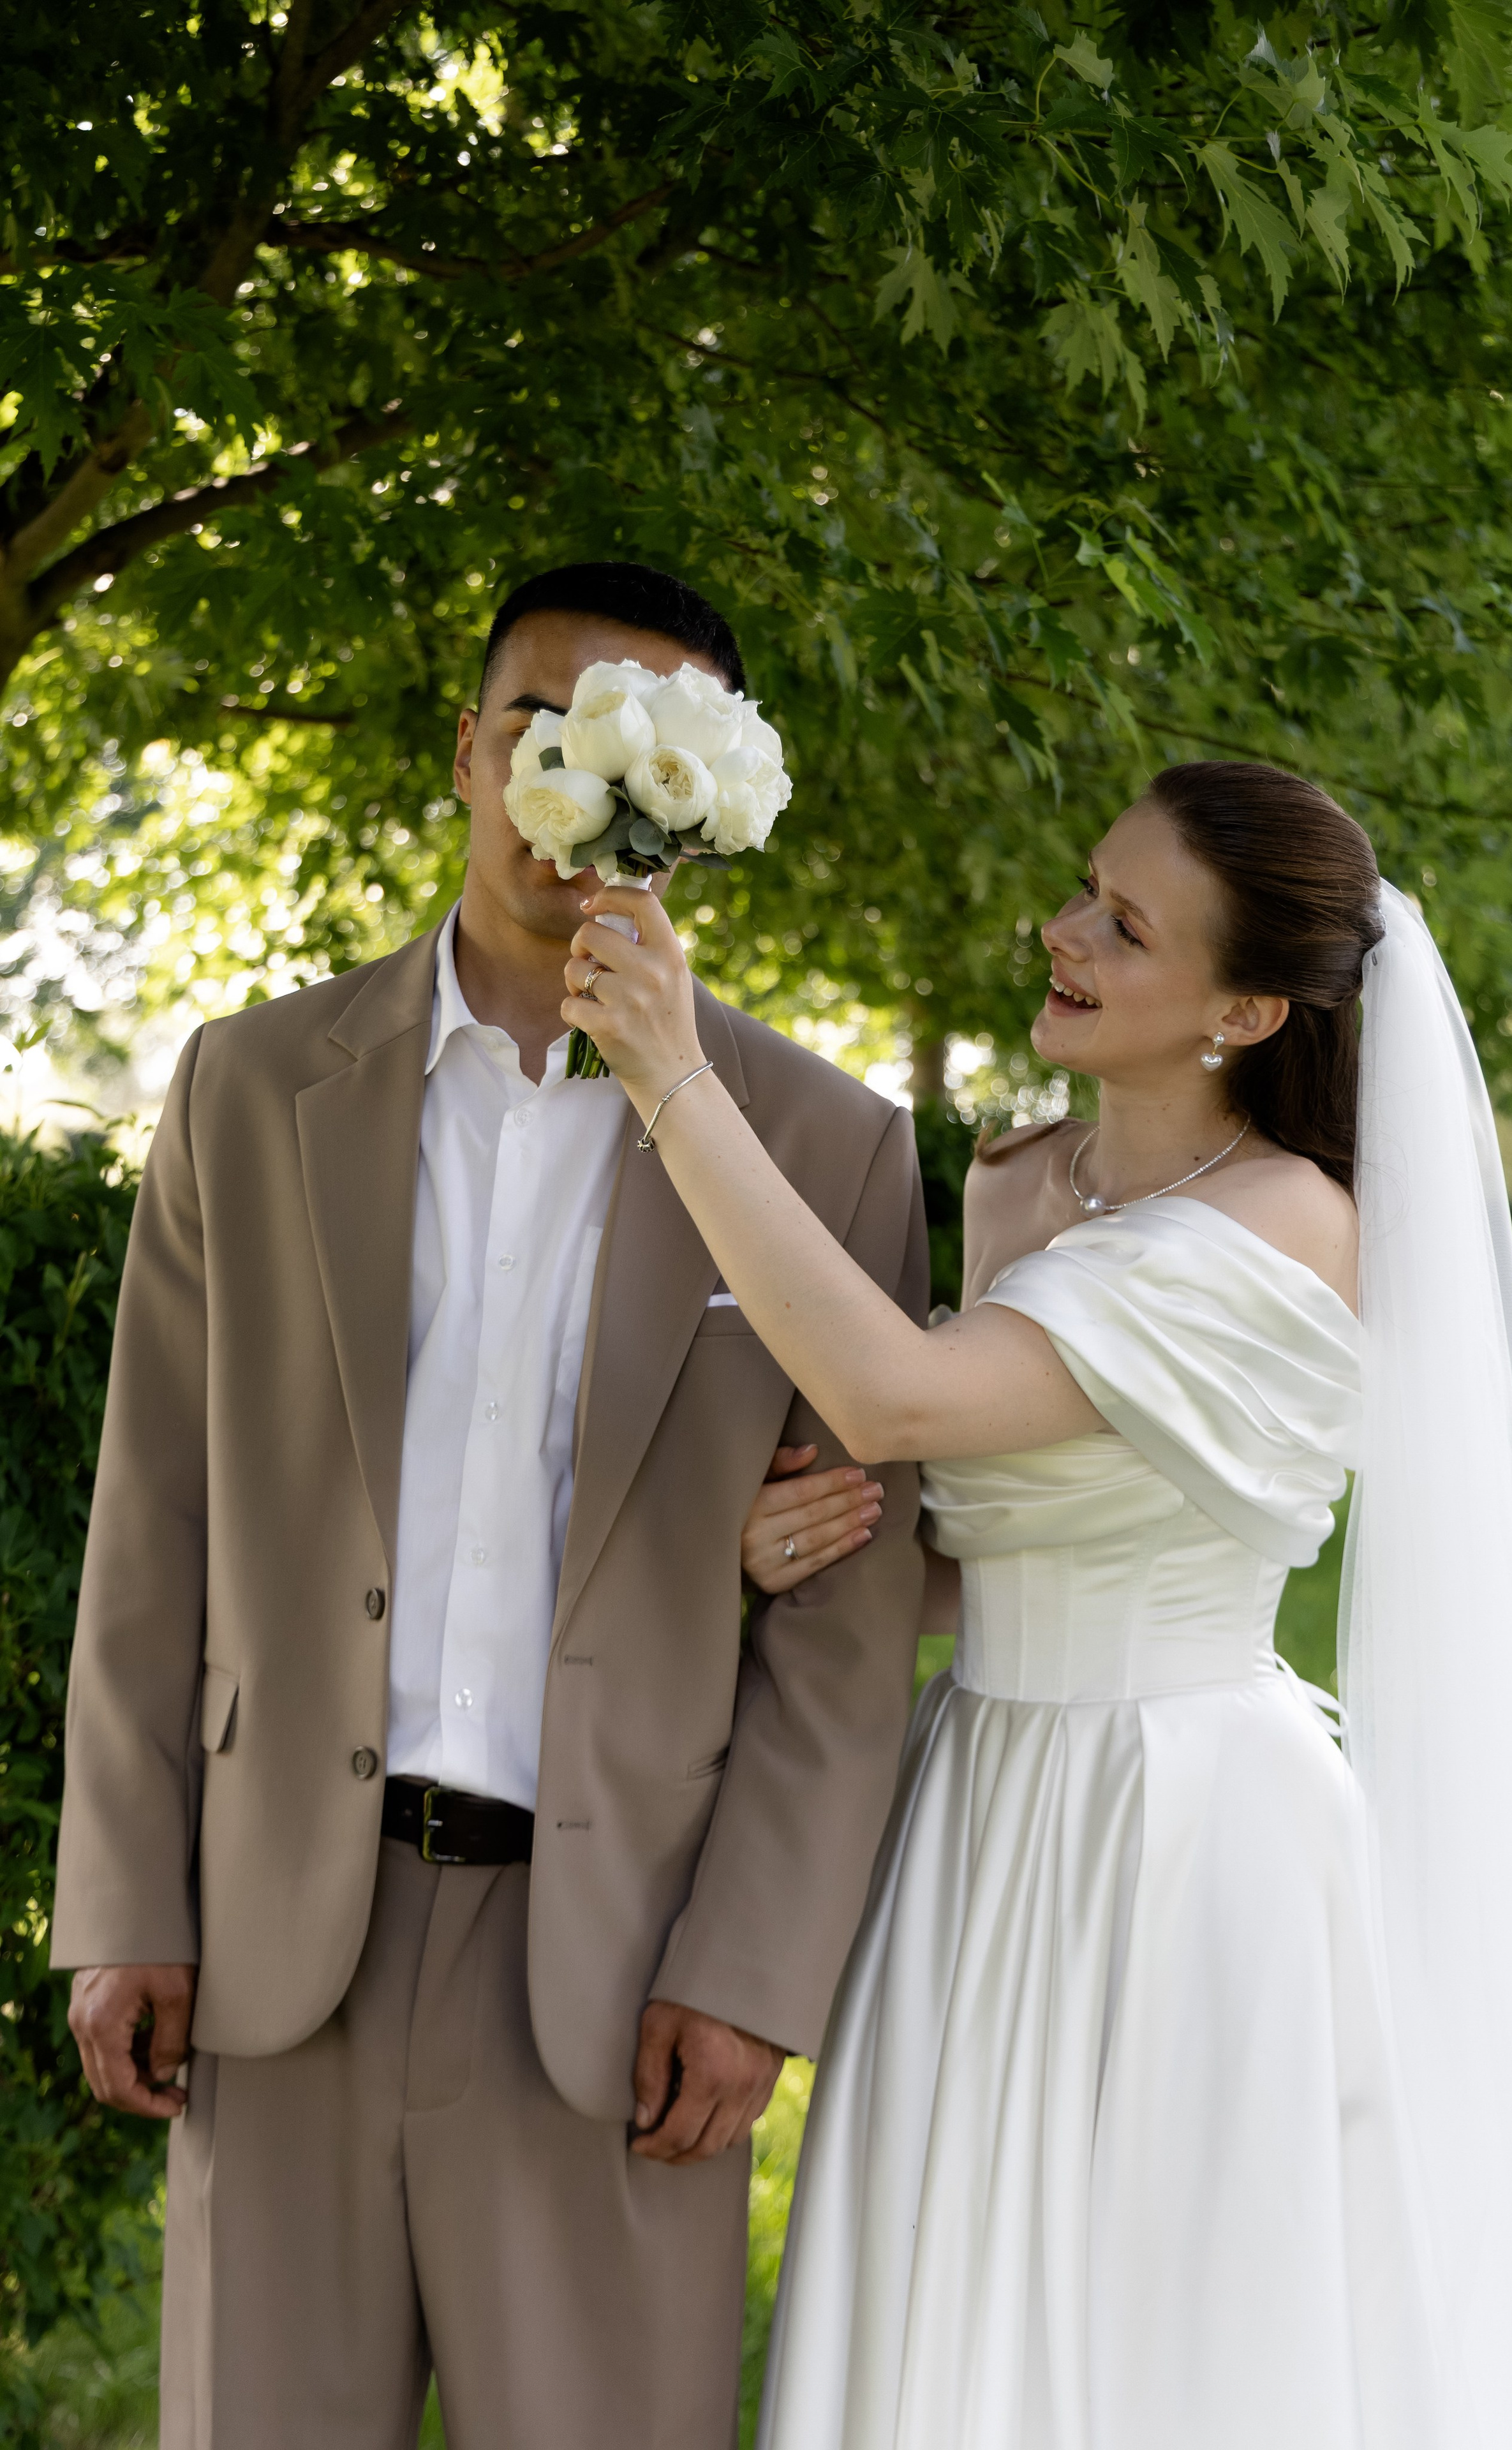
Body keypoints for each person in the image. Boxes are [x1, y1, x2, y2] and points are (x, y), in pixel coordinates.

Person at [565, 759, 1512, 2450]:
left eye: (1124, 929)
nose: (1061, 934)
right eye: (1084, 891)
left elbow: (900, 1398)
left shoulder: (1290, 1229)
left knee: (1175, 2327)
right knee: (957, 2290)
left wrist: (673, 1074)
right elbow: (984, 1539)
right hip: (981, 1802)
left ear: (1246, 1006)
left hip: (1188, 1831)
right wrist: (801, 1553)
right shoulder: (1015, 1183)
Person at [50, 560, 928, 2448]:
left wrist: (752, 1972)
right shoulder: (247, 1087)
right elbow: (155, 1522)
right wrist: (124, 1892)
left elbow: (850, 1633)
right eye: (541, 722)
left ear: (708, 803)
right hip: (286, 1938)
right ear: (468, 752)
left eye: (637, 747)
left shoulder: (831, 1152)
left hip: (615, 1977)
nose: (575, 777)